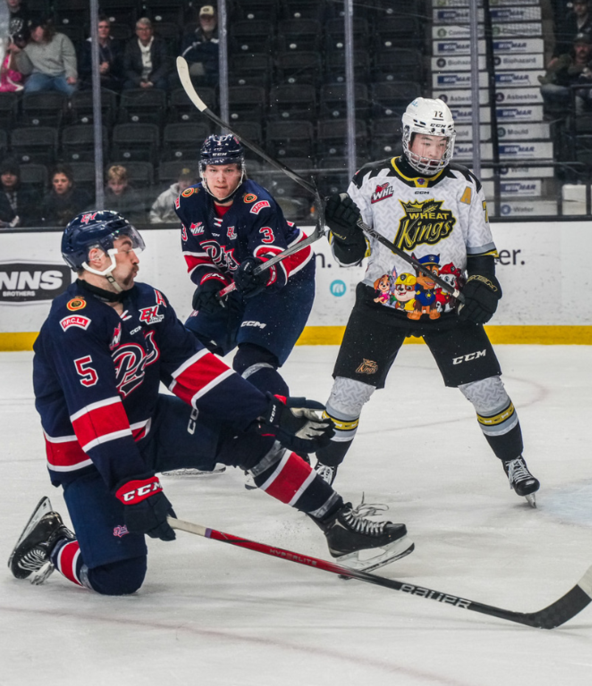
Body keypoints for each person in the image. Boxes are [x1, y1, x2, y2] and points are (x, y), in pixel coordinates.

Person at [6, 211, 412, 592]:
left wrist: (266, 411)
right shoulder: (72, 326)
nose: (135, 255)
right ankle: (55, 541)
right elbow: (98, 418)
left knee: (250, 438)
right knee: (118, 577)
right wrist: (134, 486)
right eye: (125, 248)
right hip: (89, 457)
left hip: (148, 425)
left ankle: (337, 523)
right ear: (96, 258)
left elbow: (195, 368)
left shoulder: (147, 300)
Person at [312, 97, 541, 508]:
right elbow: (349, 255)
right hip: (382, 305)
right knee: (348, 393)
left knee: (487, 390)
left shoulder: (464, 184)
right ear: (407, 138)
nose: (433, 153)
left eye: (441, 144)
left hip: (447, 307)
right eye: (425, 143)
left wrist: (484, 285)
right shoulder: (370, 180)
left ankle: (515, 462)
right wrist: (344, 230)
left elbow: (481, 252)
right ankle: (323, 467)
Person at [174, 135, 315, 399]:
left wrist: (259, 267)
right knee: (190, 351)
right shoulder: (189, 202)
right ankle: (214, 420)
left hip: (285, 279)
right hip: (234, 278)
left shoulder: (257, 203)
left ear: (241, 170)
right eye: (213, 170)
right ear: (202, 170)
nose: (220, 179)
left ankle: (277, 424)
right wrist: (209, 280)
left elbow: (270, 254)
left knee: (250, 361)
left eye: (229, 170)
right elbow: (196, 253)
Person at [539, 33, 592, 116]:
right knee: (546, 88)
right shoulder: (566, 59)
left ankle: (579, 124)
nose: (582, 49)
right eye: (578, 46)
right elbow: (550, 76)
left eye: (585, 46)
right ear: (574, 47)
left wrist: (590, 73)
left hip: (585, 92)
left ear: (591, 47)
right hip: (567, 91)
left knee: (578, 99)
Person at [8, 16, 78, 95]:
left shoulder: (61, 39)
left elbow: (69, 58)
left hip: (61, 74)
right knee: (30, 89)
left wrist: (71, 75)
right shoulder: (28, 44)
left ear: (44, 27)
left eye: (35, 30)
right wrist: (19, 53)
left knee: (71, 90)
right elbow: (26, 70)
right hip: (40, 74)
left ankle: (69, 107)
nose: (33, 33)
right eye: (31, 31)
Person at [123, 17, 172, 91]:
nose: (144, 32)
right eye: (140, 29)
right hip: (138, 77)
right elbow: (127, 68)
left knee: (162, 84)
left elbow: (165, 64)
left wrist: (152, 81)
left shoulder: (160, 43)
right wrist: (139, 81)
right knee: (127, 85)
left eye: (147, 29)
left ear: (151, 30)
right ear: (136, 32)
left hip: (155, 78)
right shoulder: (130, 45)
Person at [78, 16, 124, 92]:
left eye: (106, 27)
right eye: (100, 27)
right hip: (91, 78)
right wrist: (97, 69)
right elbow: (82, 67)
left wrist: (109, 67)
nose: (103, 30)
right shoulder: (86, 45)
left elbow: (121, 64)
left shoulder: (115, 43)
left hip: (112, 77)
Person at [180, 5, 220, 88]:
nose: (207, 21)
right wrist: (209, 54)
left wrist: (199, 47)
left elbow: (222, 55)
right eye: (204, 18)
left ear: (216, 19)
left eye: (210, 18)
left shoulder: (223, 36)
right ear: (199, 20)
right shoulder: (191, 36)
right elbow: (186, 54)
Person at [0, 157, 41, 226]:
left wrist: (21, 221)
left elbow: (35, 216)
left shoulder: (30, 193)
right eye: (5, 174)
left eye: (12, 174)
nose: (8, 177)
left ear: (18, 176)